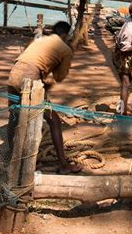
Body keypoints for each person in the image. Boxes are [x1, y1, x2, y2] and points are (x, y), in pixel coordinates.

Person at [7, 21, 81, 174]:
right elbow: (59, 77)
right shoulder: (65, 49)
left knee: (14, 118)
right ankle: (63, 165)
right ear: (66, 35)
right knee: (54, 121)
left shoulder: (39, 39)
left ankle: (13, 160)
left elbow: (34, 60)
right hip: (29, 78)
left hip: (14, 74)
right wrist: (68, 55)